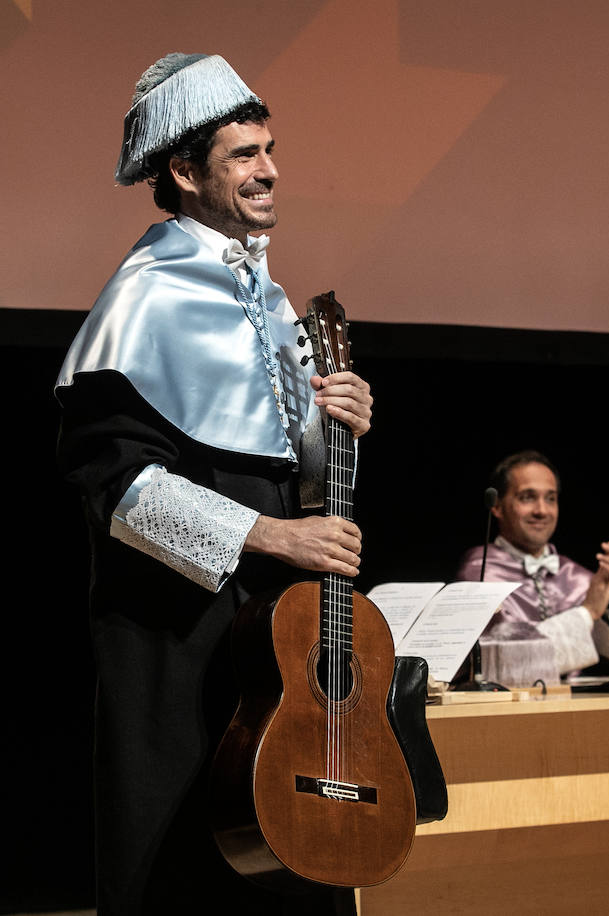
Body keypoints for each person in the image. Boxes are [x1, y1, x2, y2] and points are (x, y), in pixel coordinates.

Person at [54, 53, 372, 915]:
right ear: (184, 173)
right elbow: (117, 492)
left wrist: (333, 421)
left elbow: (273, 469)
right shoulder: (144, 297)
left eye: (269, 149)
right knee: (193, 880)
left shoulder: (267, 296)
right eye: (243, 155)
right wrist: (270, 537)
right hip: (182, 650)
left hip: (275, 652)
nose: (268, 170)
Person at [454, 450, 609, 677]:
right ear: (496, 506)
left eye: (550, 498)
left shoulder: (574, 574)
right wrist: (588, 612)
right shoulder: (480, 571)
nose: (542, 511)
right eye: (527, 497)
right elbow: (508, 661)